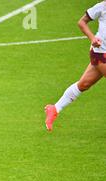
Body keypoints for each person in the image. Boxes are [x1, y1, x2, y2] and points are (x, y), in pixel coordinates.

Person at [45, 1, 106, 131]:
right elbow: (81, 22)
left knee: (84, 84)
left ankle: (54, 108)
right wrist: (92, 38)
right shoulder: (101, 7)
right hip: (101, 53)